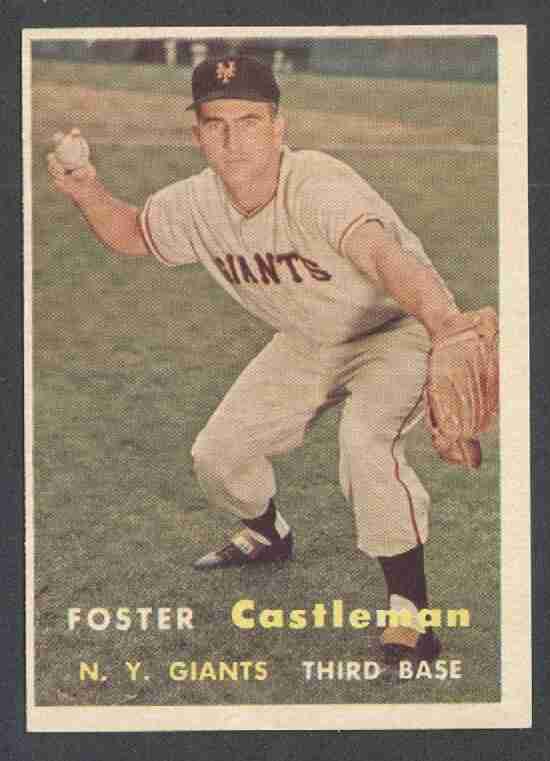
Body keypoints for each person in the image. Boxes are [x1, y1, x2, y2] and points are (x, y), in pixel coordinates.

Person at [48, 55, 479, 665]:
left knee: (366, 444)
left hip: (395, 333)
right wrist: (88, 192)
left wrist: (447, 327)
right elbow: (136, 233)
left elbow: (385, 257)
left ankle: (411, 615)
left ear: (279, 127)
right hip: (307, 342)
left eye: (249, 121)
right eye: (216, 123)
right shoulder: (194, 203)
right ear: (197, 134)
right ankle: (268, 533)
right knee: (218, 455)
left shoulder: (318, 185)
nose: (233, 139)